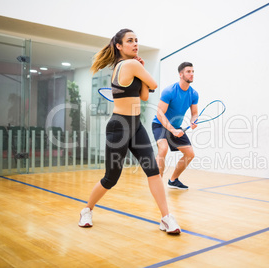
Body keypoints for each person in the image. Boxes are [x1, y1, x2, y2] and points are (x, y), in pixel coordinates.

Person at [78, 29, 181, 234]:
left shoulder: (130, 66)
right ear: (119, 46)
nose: (135, 44)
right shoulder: (129, 64)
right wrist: (142, 70)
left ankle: (166, 218)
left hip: (136, 125)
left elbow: (144, 96)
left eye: (137, 41)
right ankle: (86, 210)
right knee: (111, 178)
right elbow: (153, 84)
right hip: (119, 126)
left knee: (152, 171)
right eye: (130, 41)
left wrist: (141, 72)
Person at [152, 62, 199, 190]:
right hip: (160, 124)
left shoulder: (193, 94)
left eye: (193, 71)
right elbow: (160, 114)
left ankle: (173, 180)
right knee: (163, 148)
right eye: (188, 71)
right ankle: (157, 184)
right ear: (181, 74)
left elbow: (194, 113)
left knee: (190, 154)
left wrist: (194, 121)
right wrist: (172, 130)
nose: (192, 74)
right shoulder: (169, 91)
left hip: (176, 127)